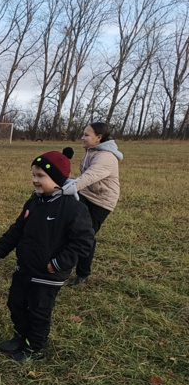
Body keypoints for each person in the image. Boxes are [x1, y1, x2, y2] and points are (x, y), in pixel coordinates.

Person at [0, 148, 94, 362]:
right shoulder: (34, 202)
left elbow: (83, 241)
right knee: (15, 303)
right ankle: (21, 336)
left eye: (41, 176)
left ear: (57, 179)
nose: (35, 180)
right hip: (25, 268)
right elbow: (17, 229)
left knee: (39, 311)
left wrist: (58, 263)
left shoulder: (73, 208)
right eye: (33, 175)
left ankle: (35, 347)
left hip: (48, 274)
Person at [63, 122, 122, 287]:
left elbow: (90, 176)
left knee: (85, 236)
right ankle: (62, 263)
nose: (83, 137)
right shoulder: (92, 151)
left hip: (102, 201)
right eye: (83, 134)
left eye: (87, 135)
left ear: (99, 138)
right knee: (70, 226)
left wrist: (69, 187)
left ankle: (82, 275)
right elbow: (84, 177)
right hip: (87, 194)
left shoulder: (107, 156)